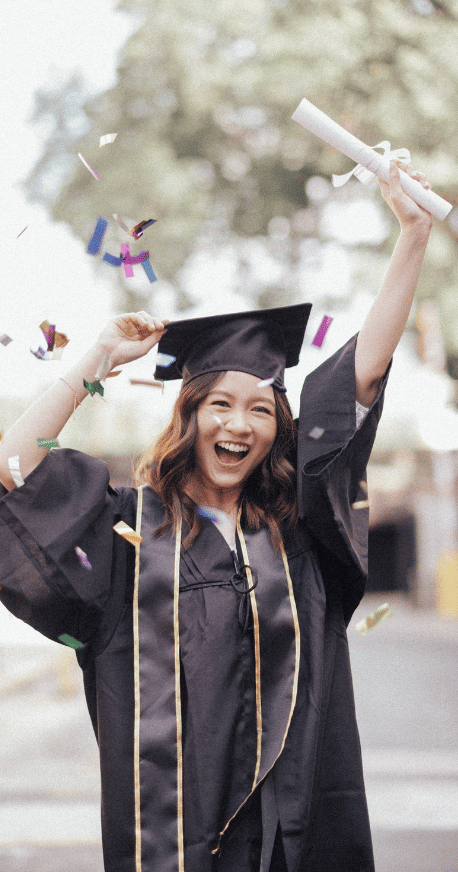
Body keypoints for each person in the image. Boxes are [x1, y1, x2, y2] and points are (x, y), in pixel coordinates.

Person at [0, 161, 432, 872]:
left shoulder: (302, 535)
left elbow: (358, 377)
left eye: (261, 407)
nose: (239, 423)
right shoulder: (127, 538)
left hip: (295, 839)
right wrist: (97, 358)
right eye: (219, 405)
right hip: (174, 844)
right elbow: (15, 474)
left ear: (279, 429)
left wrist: (411, 235)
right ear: (189, 418)